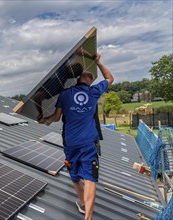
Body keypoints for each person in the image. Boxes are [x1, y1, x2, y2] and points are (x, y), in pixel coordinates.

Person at [38, 54, 114, 220]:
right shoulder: (94, 92)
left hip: (70, 143)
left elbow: (56, 118)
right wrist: (98, 62)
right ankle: (88, 216)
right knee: (90, 178)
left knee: (75, 175)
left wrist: (44, 119)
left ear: (78, 78)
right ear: (90, 81)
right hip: (88, 144)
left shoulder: (65, 94)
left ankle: (81, 201)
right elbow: (109, 78)